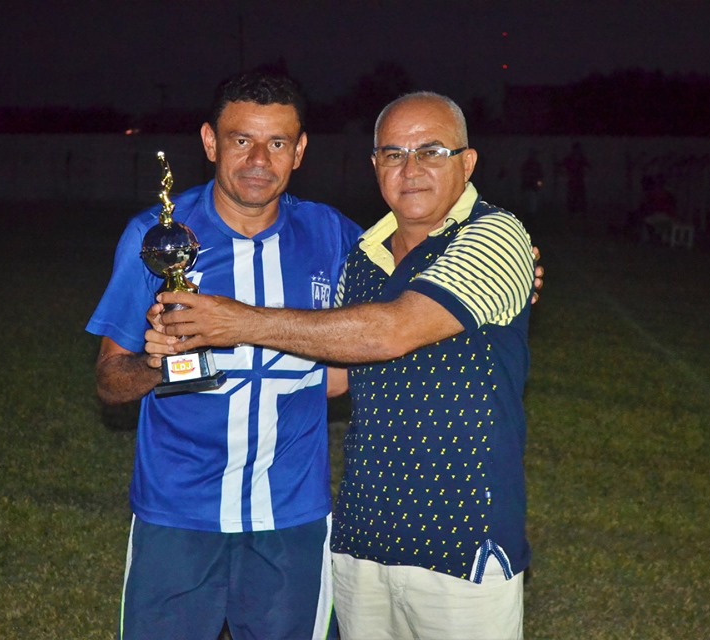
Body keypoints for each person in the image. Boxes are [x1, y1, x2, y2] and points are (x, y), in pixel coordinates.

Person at [146, 92, 535, 639]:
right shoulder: (362, 254)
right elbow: (333, 375)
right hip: (361, 540)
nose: (412, 169)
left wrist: (238, 322)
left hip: (462, 542)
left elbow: (391, 330)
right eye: (394, 154)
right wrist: (190, 350)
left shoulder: (497, 236)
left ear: (467, 163)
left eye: (431, 152)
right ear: (375, 165)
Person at [86, 71, 363, 640]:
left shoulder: (332, 234)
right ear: (210, 142)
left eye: (277, 143)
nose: (259, 159)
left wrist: (499, 268)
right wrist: (152, 364)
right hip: (177, 512)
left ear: (299, 151)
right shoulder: (158, 237)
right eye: (242, 140)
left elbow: (412, 287)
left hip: (291, 513)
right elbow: (110, 382)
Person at [561, 141, 589, 221]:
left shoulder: (582, 158)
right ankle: (572, 213)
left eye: (578, 149)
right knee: (572, 198)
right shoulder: (569, 158)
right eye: (576, 149)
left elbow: (588, 166)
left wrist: (585, 171)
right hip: (572, 181)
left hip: (580, 181)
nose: (577, 151)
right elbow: (562, 165)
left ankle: (582, 213)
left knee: (581, 197)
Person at [519, 148, 543, 220]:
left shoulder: (537, 165)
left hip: (533, 187)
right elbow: (523, 175)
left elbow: (540, 176)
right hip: (528, 186)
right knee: (527, 203)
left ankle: (530, 217)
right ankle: (528, 217)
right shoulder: (527, 164)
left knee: (532, 204)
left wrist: (539, 185)